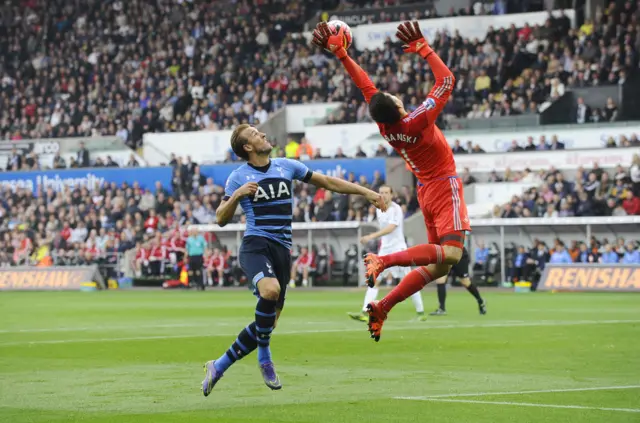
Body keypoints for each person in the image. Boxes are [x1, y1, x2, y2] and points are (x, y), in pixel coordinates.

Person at [313, 21, 468, 342]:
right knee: (452, 255)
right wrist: (425, 48)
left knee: (440, 267)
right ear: (398, 106)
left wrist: (342, 54)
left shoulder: (387, 127)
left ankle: (382, 306)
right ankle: (384, 261)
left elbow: (365, 86)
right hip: (443, 185)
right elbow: (447, 79)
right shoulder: (418, 120)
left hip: (425, 191)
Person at [202, 124, 385, 395]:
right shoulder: (238, 177)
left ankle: (219, 365)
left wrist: (367, 192)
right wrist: (238, 196)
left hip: (282, 251)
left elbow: (329, 182)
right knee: (270, 290)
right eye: (254, 134)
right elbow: (220, 218)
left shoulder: (287, 166)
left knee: (269, 323)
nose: (262, 134)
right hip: (256, 245)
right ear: (247, 148)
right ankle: (264, 356)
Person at [348, 185, 426, 323]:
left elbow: (391, 228)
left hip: (398, 250)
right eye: (381, 192)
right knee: (375, 279)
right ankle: (364, 312)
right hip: (385, 250)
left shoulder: (396, 209)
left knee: (409, 281)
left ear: (392, 194)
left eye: (386, 193)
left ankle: (421, 312)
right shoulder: (379, 209)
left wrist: (372, 236)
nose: (383, 195)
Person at [429, 247, 486, 316]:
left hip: (460, 255)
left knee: (465, 282)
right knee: (440, 279)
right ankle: (442, 309)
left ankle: (480, 301)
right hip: (446, 255)